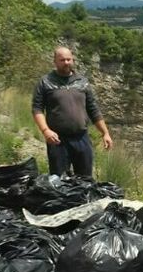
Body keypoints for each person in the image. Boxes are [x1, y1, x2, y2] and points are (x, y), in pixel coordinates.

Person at [32, 46, 112, 178]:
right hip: (58, 140)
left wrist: (105, 133)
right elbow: (37, 108)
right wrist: (46, 131)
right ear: (55, 62)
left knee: (85, 179)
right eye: (62, 60)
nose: (66, 63)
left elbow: (93, 109)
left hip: (81, 138)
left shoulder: (82, 82)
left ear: (73, 60)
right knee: (59, 180)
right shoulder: (46, 82)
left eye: (69, 59)